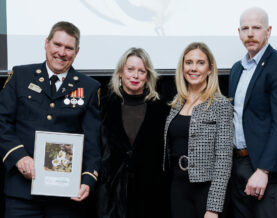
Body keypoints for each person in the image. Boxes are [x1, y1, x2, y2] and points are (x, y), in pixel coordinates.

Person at [0, 21, 101, 217]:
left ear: (76, 52)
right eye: (57, 45)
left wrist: (88, 180)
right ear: (46, 43)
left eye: (68, 48)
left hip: (65, 198)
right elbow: (2, 122)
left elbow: (92, 142)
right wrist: (18, 156)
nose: (62, 52)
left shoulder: (89, 88)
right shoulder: (21, 76)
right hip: (21, 194)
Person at [228, 7, 277, 218]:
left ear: (268, 31)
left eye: (256, 28)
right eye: (245, 28)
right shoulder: (236, 69)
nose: (250, 33)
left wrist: (264, 170)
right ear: (239, 32)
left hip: (266, 170)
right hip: (239, 164)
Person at [96, 47, 171, 218]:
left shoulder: (161, 110)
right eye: (130, 69)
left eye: (141, 71)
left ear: (148, 76)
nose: (135, 76)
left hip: (150, 198)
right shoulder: (104, 106)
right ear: (121, 72)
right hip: (111, 197)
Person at [163, 42, 233, 218]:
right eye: (189, 62)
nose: (193, 68)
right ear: (182, 66)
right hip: (178, 188)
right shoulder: (176, 103)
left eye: (200, 63)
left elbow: (224, 160)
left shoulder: (221, 105)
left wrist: (214, 208)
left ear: (210, 69)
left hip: (206, 191)